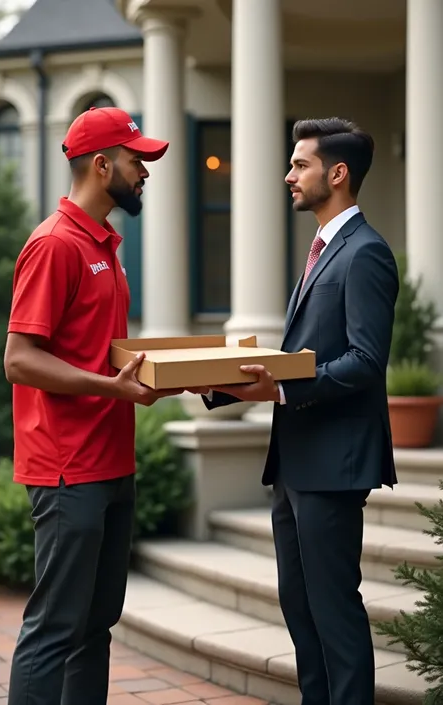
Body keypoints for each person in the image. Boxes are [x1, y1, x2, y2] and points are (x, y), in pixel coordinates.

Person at [203, 117, 399, 705]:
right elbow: (297, 358)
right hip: (293, 464)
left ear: (336, 174)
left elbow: (366, 361)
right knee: (300, 609)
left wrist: (283, 390)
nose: (288, 175)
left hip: (334, 466)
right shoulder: (321, 249)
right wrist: (218, 384)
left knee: (333, 610)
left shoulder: (366, 253)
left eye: (300, 164)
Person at [4, 106, 185, 705]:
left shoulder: (105, 243)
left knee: (95, 626)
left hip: (112, 462)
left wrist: (166, 373)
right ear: (102, 164)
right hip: (67, 468)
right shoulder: (56, 245)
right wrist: (114, 387)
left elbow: (99, 350)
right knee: (55, 628)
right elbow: (19, 359)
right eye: (138, 161)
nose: (145, 172)